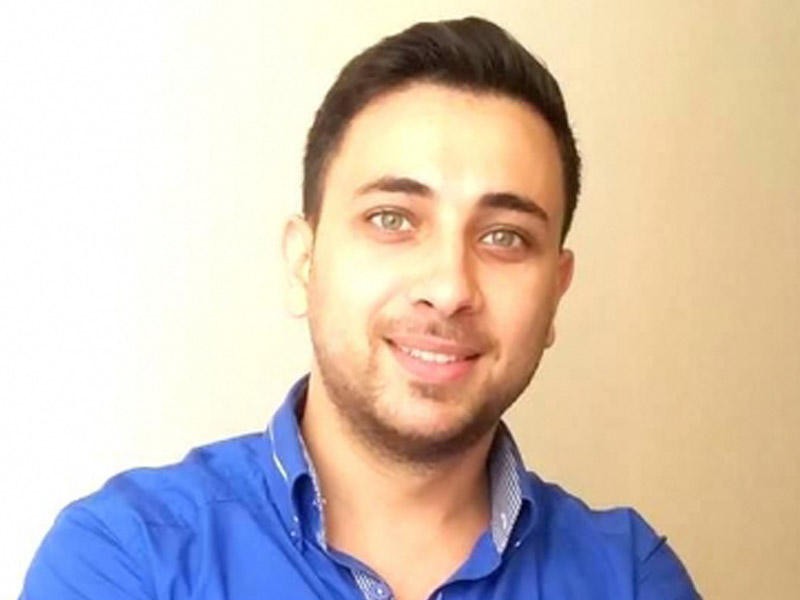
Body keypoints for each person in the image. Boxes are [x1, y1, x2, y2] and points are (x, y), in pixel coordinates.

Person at [20, 16, 700, 600]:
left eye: (504, 236)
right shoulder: (128, 558)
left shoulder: (628, 578)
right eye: (392, 219)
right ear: (304, 262)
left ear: (556, 292)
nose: (449, 287)